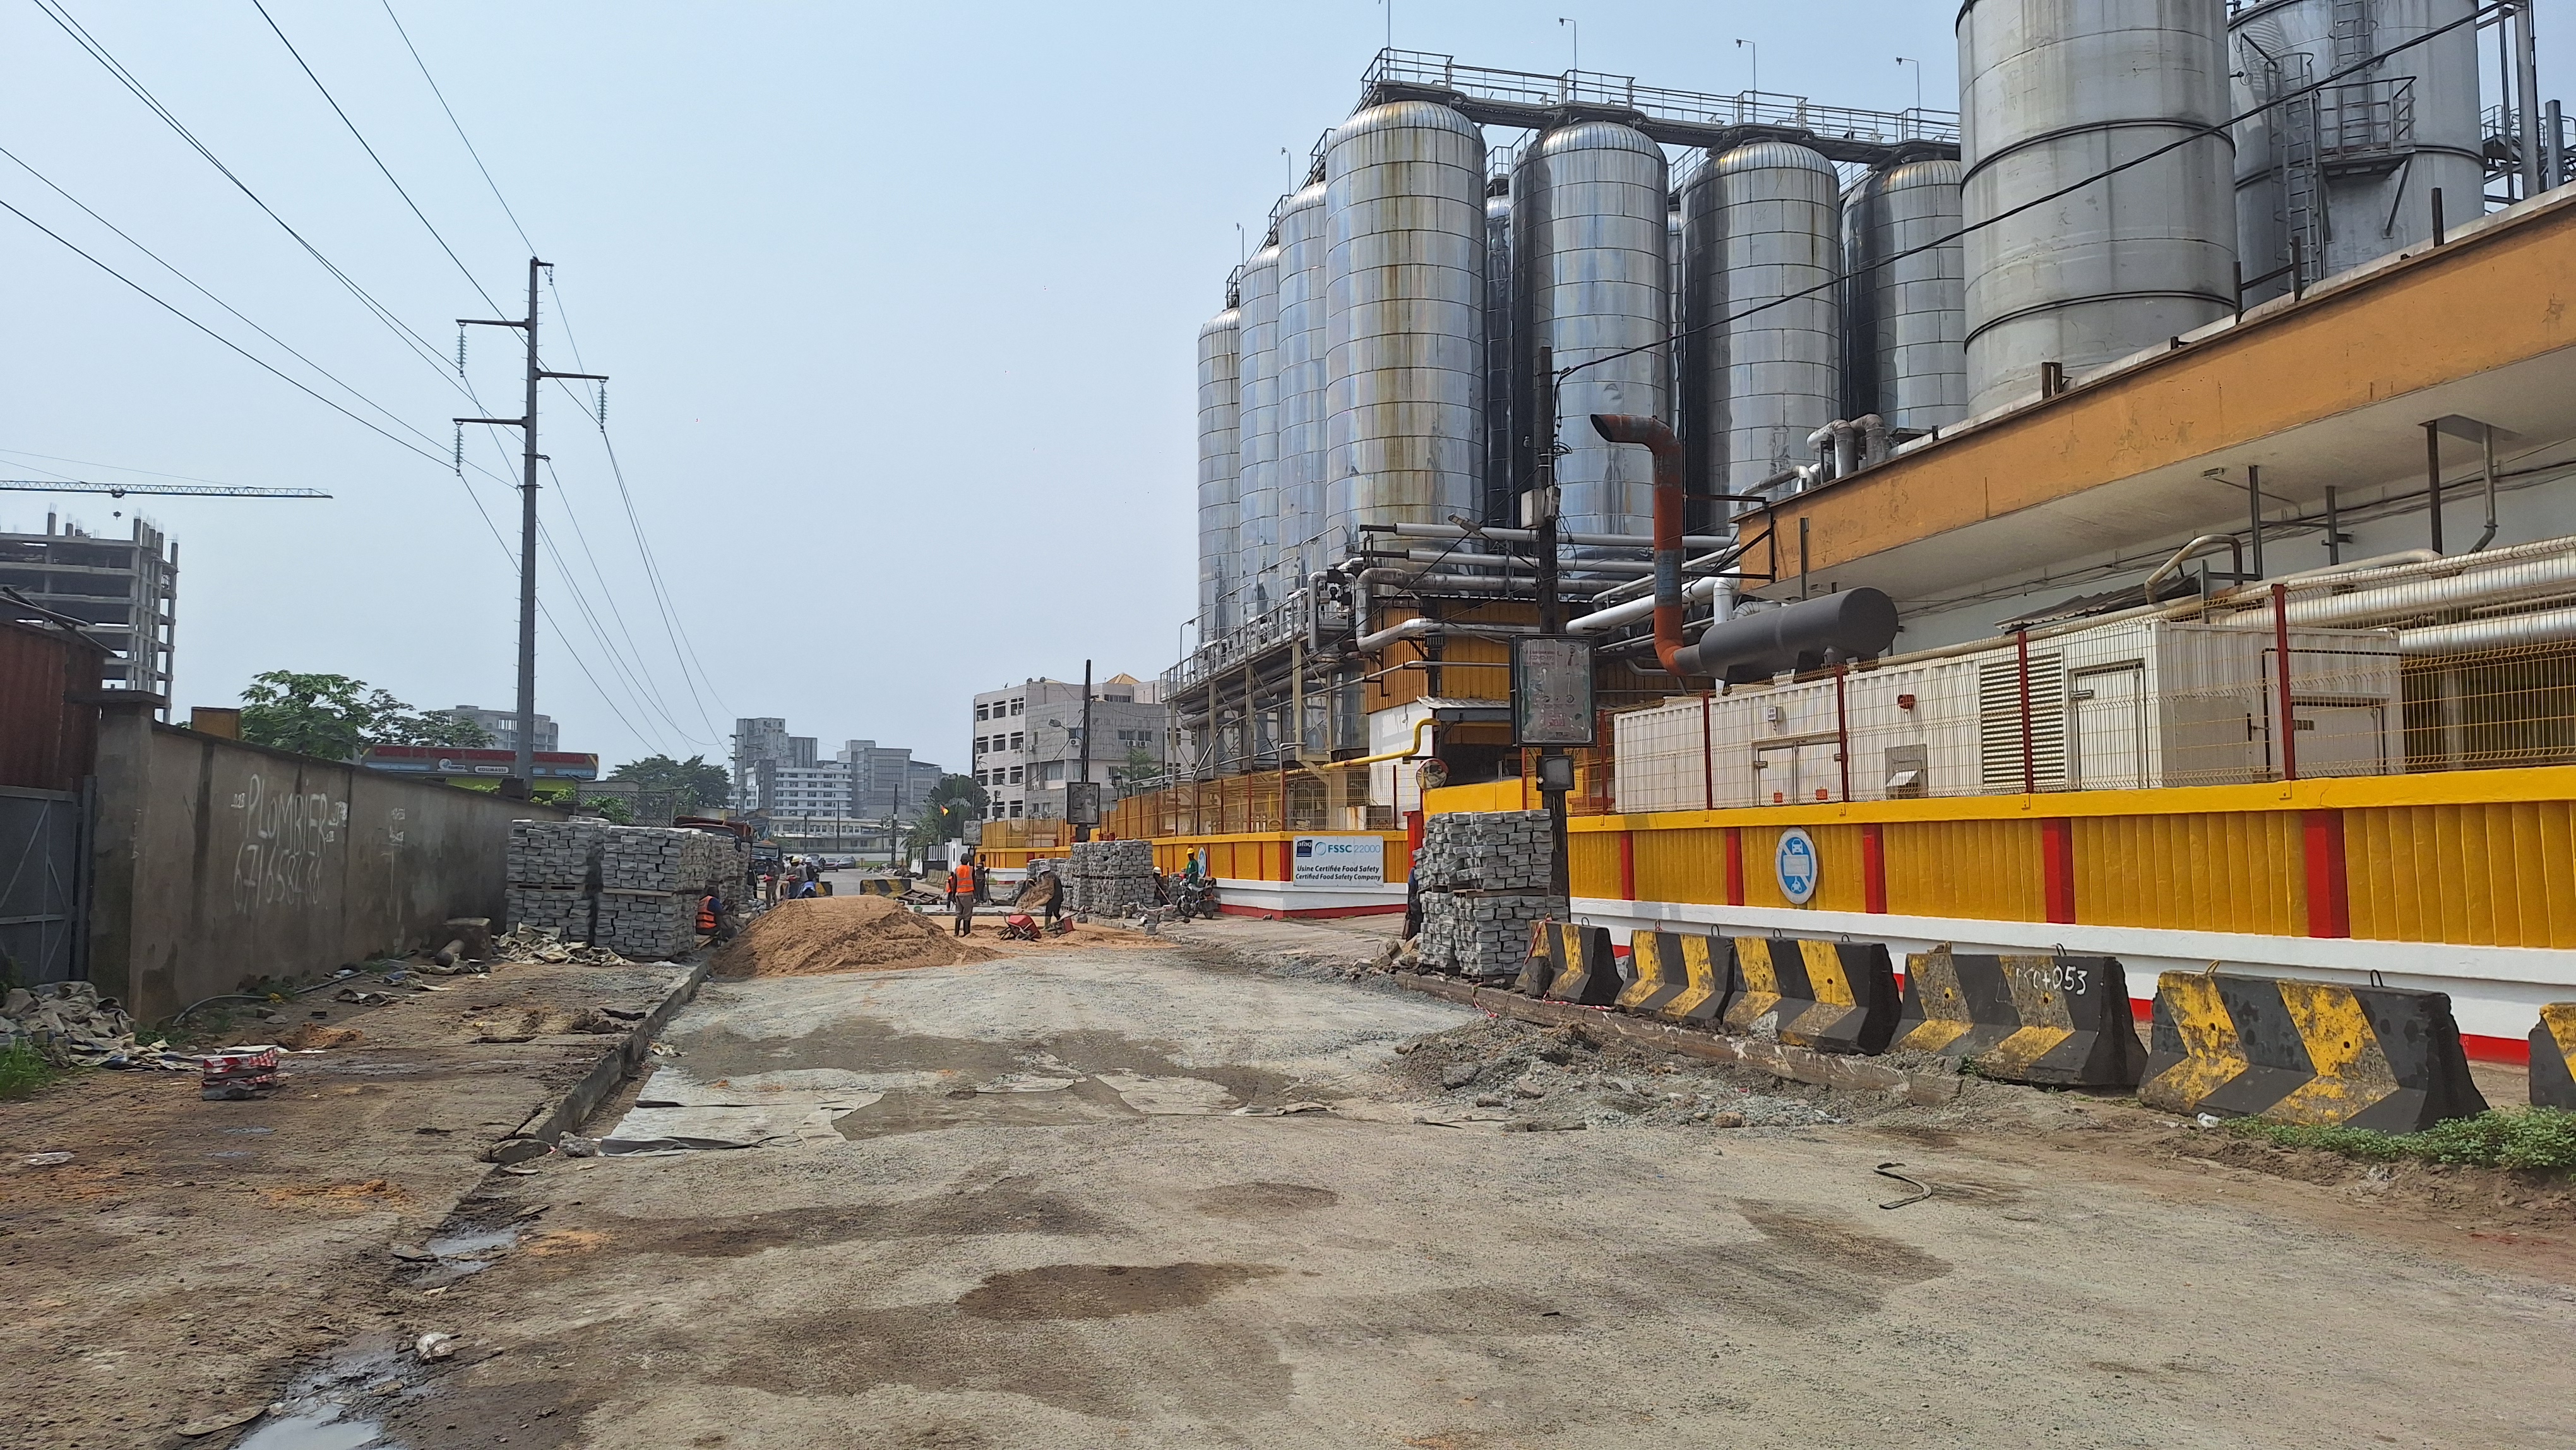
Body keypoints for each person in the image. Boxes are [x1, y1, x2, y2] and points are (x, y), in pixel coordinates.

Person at [948, 853, 979, 937]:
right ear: (968, 861)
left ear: (961, 861)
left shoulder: (957, 870)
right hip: (968, 894)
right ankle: (967, 933)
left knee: (959, 913)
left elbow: (954, 883)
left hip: (958, 894)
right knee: (968, 914)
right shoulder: (971, 869)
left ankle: (956, 933)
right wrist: (976, 895)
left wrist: (953, 895)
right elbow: (974, 882)